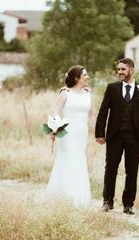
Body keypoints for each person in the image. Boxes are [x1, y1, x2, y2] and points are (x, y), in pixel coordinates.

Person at [95, 58, 139, 215]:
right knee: (111, 169)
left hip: (135, 137)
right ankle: (107, 202)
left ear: (131, 70)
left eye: (123, 69)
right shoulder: (112, 88)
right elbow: (103, 111)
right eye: (118, 69)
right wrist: (99, 133)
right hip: (114, 136)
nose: (120, 72)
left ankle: (128, 204)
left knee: (132, 171)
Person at [46, 65, 95, 207]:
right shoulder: (65, 93)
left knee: (79, 161)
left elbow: (91, 116)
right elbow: (57, 111)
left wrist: (100, 132)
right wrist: (55, 128)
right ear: (76, 78)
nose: (87, 77)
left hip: (82, 134)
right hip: (67, 134)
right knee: (68, 160)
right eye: (85, 75)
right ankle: (64, 197)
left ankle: (79, 198)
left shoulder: (87, 94)